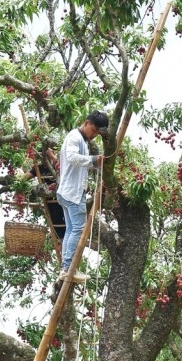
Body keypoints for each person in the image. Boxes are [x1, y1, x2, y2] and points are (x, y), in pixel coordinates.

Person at [56, 111, 109, 284]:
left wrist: (94, 164)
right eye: (93, 130)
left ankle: (65, 268)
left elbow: (80, 164)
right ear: (86, 123)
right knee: (77, 229)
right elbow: (72, 158)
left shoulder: (83, 142)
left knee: (71, 230)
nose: (94, 135)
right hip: (72, 193)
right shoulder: (74, 137)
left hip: (68, 191)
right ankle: (67, 268)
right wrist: (93, 159)